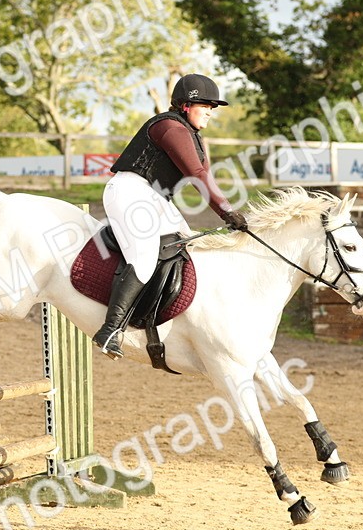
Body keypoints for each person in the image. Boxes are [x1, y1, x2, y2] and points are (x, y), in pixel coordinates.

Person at [91, 73, 248, 358]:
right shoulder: (170, 127)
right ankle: (110, 329)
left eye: (212, 110)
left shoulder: (193, 136)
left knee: (188, 244)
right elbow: (197, 175)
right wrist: (226, 212)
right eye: (206, 108)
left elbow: (206, 175)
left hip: (155, 199)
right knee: (145, 255)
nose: (210, 115)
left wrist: (229, 211)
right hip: (129, 191)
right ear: (187, 105)